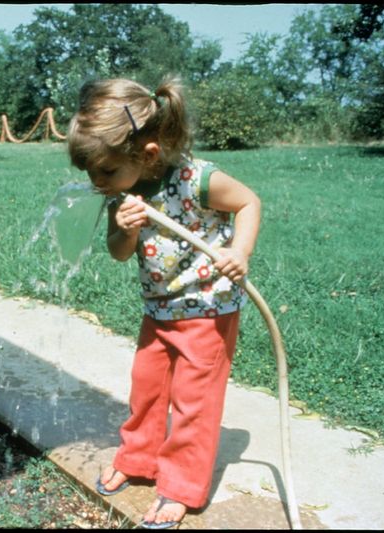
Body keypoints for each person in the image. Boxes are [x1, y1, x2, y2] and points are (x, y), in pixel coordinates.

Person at [67, 76, 261, 529]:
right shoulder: (124, 191)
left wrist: (240, 252)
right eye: (91, 173)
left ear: (148, 153)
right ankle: (138, 459)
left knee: (194, 401)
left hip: (210, 309)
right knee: (147, 389)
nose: (98, 183)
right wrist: (126, 228)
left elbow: (249, 202)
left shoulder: (199, 180)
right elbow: (118, 252)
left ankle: (180, 486)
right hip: (158, 309)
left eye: (105, 171)